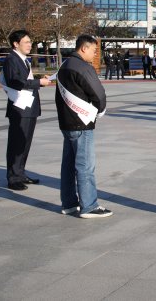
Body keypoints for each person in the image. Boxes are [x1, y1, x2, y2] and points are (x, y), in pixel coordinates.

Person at [55, 35, 112, 218]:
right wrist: (100, 111)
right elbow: (99, 94)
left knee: (68, 165)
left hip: (67, 122)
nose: (95, 54)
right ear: (83, 48)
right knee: (85, 165)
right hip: (81, 123)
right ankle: (89, 205)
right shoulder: (83, 67)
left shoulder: (65, 65)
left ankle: (69, 203)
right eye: (94, 51)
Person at [1, 30, 51, 191]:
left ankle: (20, 173)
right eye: (26, 42)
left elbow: (24, 80)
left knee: (25, 143)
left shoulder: (23, 60)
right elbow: (14, 81)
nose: (30, 45)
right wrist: (38, 83)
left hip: (29, 107)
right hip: (19, 108)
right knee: (17, 143)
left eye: (30, 41)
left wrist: (38, 81)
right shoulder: (11, 59)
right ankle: (13, 177)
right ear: (16, 44)